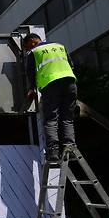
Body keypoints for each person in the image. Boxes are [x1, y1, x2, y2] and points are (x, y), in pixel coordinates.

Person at [24, 33, 77, 162]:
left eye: (26, 47)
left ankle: (53, 151)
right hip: (70, 83)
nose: (27, 50)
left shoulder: (34, 52)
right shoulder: (60, 46)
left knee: (51, 119)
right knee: (67, 118)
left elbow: (30, 73)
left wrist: (32, 89)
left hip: (51, 85)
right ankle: (69, 147)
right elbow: (71, 65)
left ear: (32, 42)